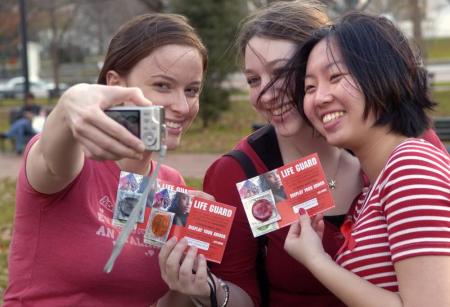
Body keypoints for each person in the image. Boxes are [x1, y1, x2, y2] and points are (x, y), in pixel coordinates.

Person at [157, 2, 448, 307]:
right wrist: (206, 291)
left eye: (282, 73)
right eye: (253, 80)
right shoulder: (239, 172)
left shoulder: (398, 148)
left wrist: (318, 261)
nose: (266, 94)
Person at [4, 13, 207, 307]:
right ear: (115, 84)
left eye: (191, 90)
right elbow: (52, 155)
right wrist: (73, 100)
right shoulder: (73, 160)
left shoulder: (171, 186)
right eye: (163, 85)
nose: (182, 106)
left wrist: (187, 284)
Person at [283, 12, 450, 307]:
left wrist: (317, 261)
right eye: (309, 87)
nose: (319, 97)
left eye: (335, 77)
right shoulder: (374, 187)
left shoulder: (410, 168)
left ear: (383, 75)